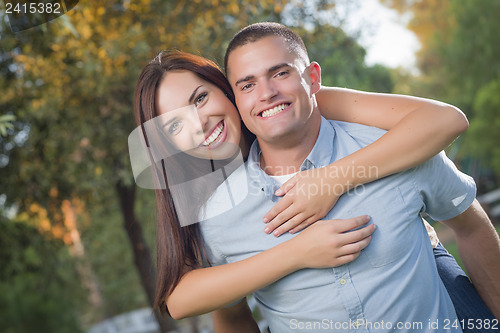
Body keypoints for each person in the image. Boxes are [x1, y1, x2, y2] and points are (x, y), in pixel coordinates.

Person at [131, 46, 497, 330]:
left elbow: (443, 120)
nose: (199, 123)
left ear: (228, 90)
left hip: (423, 272)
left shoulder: (298, 104)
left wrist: (332, 179)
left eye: (200, 98)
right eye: (174, 126)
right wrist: (297, 252)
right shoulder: (205, 200)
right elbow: (184, 300)